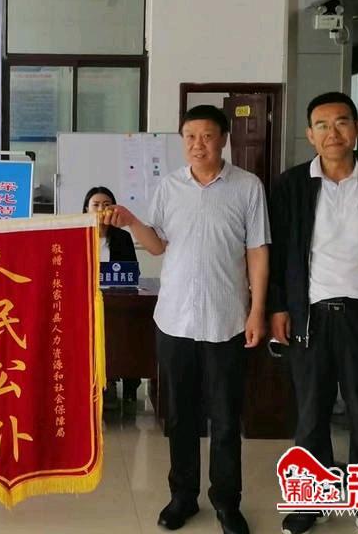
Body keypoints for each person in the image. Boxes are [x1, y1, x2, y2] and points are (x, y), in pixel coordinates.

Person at [103, 105, 269, 534]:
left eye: (207, 136)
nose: (198, 145)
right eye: (190, 137)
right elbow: (157, 246)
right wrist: (131, 222)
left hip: (227, 321)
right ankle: (183, 497)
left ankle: (226, 501)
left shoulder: (247, 187)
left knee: (226, 419)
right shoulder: (169, 187)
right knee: (180, 417)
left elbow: (257, 251)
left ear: (224, 139)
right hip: (175, 320)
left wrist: (257, 310)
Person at [269, 92, 358, 534]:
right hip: (309, 315)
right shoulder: (291, 185)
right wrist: (278, 306)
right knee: (310, 415)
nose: (332, 133)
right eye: (322, 125)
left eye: (341, 122)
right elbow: (277, 252)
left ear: (357, 129)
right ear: (310, 135)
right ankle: (311, 502)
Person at [83, 186, 140, 417]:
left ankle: (112, 381)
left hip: (116, 302)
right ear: (86, 209)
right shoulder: (78, 236)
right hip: (85, 304)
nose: (101, 209)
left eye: (107, 205)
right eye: (96, 205)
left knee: (121, 332)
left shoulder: (123, 238)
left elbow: (132, 273)